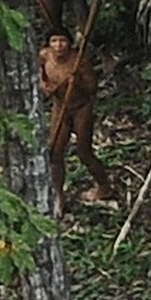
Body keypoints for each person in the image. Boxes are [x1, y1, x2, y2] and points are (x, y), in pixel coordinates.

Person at [39, 30, 114, 217]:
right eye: (54, 41)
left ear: (70, 44)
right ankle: (59, 196)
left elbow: (92, 88)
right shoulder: (45, 56)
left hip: (81, 108)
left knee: (84, 151)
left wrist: (78, 81)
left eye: (62, 41)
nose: (58, 46)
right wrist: (45, 86)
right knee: (55, 153)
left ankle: (104, 187)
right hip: (59, 108)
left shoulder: (78, 61)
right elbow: (41, 75)